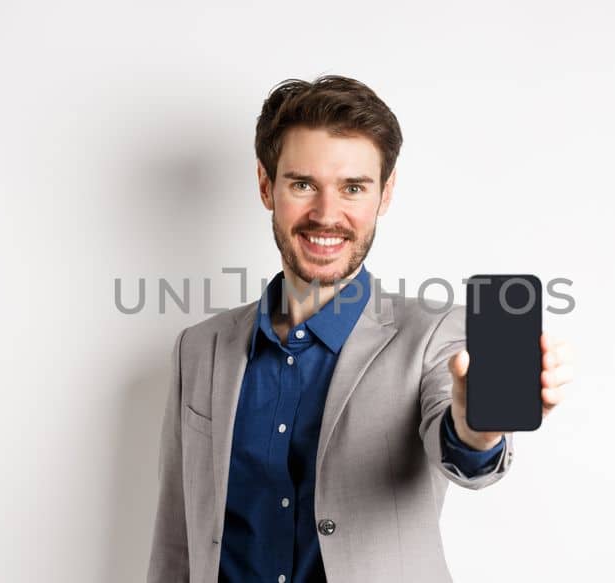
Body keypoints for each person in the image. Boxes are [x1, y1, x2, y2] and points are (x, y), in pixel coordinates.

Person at [147, 75, 577, 583]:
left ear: (385, 193)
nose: (327, 215)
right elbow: (176, 537)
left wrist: (477, 429)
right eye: (302, 184)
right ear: (267, 185)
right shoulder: (198, 348)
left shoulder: (434, 335)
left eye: (353, 188)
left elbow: (461, 446)